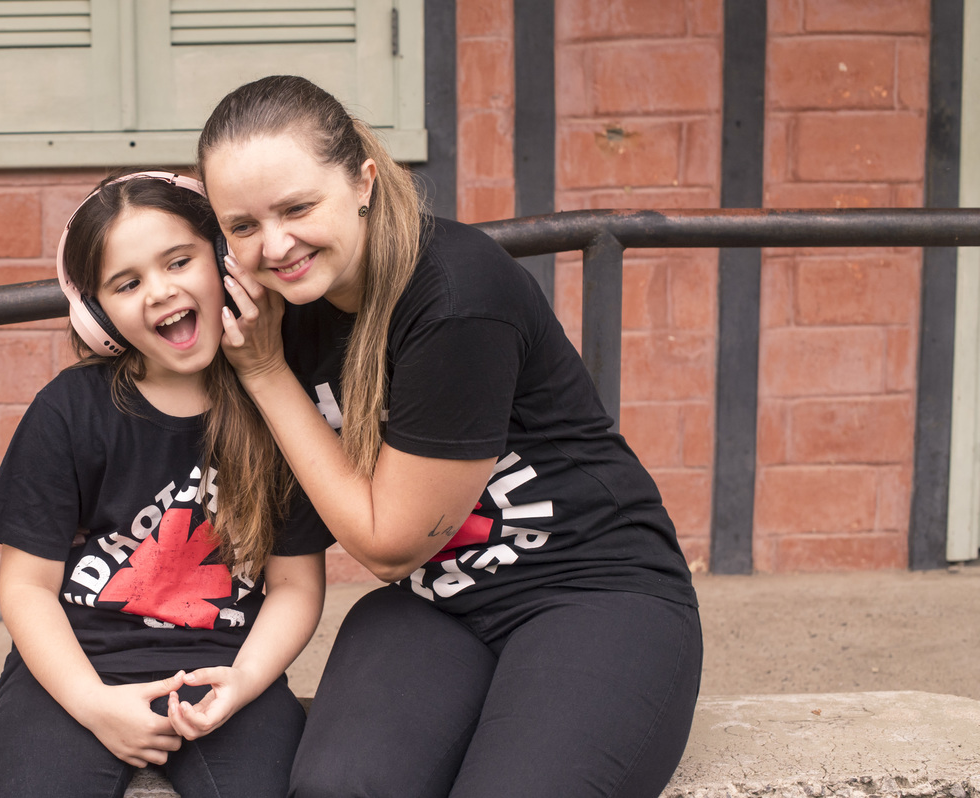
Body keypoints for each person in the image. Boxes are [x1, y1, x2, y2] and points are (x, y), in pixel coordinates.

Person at [196, 75, 703, 798]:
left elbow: (389, 544)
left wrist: (268, 373)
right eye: (242, 226)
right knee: (340, 790)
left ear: (363, 182)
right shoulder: (274, 305)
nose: (275, 245)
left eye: (298, 208)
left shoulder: (454, 296)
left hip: (589, 591)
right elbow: (137, 275)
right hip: (437, 606)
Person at [0, 170, 332, 798]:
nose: (160, 291)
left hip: (226, 670)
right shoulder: (67, 411)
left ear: (223, 261)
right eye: (127, 283)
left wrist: (245, 681)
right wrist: (92, 704)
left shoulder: (281, 409)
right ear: (96, 313)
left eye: (179, 261)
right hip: (77, 670)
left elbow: (295, 586)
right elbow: (27, 587)